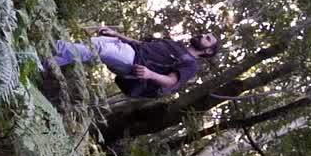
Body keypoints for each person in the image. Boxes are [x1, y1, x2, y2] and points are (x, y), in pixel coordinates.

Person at [45, 25, 220, 98]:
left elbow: (173, 81)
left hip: (134, 63)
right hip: (131, 49)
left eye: (207, 38)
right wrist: (116, 35)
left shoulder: (191, 64)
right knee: (94, 43)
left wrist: (150, 74)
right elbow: (142, 44)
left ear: (208, 50)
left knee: (98, 49)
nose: (202, 35)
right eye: (205, 34)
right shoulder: (176, 45)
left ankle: (52, 47)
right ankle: (44, 63)